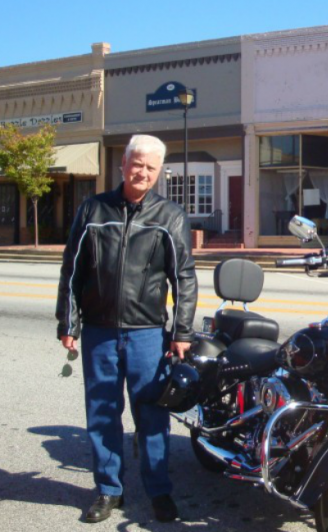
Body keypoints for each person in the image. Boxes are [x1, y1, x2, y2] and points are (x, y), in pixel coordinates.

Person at [56, 134, 197, 523]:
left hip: (147, 333)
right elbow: (72, 270)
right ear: (123, 164)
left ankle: (159, 491)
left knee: (151, 416)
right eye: (137, 164)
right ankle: (109, 490)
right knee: (102, 413)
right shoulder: (93, 209)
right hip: (99, 332)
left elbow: (184, 277)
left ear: (158, 172)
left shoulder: (170, 216)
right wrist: (68, 323)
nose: (143, 173)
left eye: (151, 167)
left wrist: (182, 332)